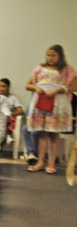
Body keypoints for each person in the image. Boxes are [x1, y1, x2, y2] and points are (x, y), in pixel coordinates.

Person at [25, 44, 77, 173]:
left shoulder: (67, 69)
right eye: (48, 55)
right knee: (42, 133)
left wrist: (61, 89)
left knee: (54, 134)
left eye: (53, 55)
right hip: (42, 101)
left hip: (58, 104)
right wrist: (36, 87)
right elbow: (28, 84)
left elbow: (74, 87)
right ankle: (41, 162)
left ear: (60, 56)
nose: (50, 58)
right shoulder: (40, 68)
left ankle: (52, 163)